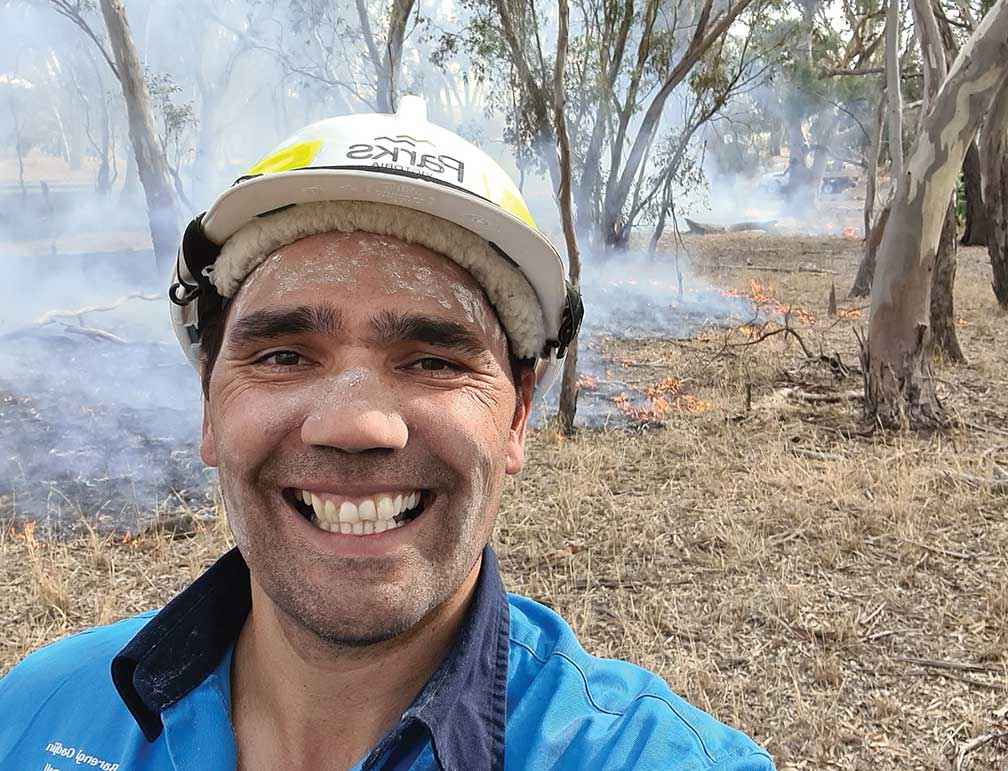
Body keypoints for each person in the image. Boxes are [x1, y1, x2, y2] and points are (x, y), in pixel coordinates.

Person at [0, 97, 775, 771]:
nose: (355, 424)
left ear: (517, 414)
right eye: (283, 355)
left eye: (433, 360)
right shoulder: (38, 717)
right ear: (209, 407)